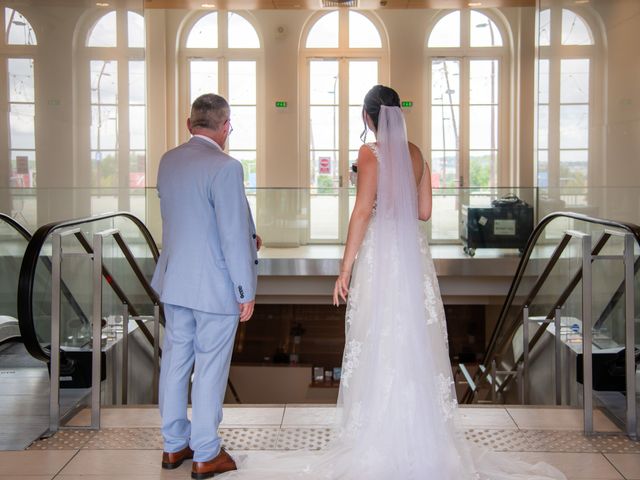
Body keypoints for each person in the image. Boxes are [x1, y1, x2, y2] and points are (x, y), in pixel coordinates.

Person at [217, 86, 567, 479]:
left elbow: (362, 211)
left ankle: (379, 439)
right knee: (413, 340)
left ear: (367, 118)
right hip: (413, 260)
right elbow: (424, 211)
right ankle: (423, 440)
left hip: (380, 258)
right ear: (397, 114)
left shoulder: (371, 153)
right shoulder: (415, 153)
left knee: (379, 338)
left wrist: (345, 268)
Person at [151, 93, 260, 480]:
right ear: (226, 126)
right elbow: (231, 234)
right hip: (214, 286)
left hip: (175, 281)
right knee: (211, 368)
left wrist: (250, 234)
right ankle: (206, 453)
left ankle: (173, 444)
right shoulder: (227, 167)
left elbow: (190, 218)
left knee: (176, 363)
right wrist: (245, 290)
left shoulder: (168, 161)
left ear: (189, 124)